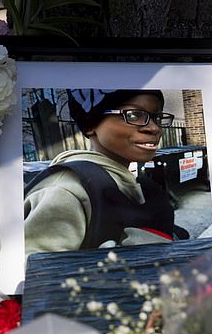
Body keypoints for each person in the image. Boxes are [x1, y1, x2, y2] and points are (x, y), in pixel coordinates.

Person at [24, 88, 180, 256]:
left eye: (157, 117)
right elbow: (38, 274)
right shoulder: (65, 192)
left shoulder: (133, 182)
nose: (154, 128)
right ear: (91, 124)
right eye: (134, 115)